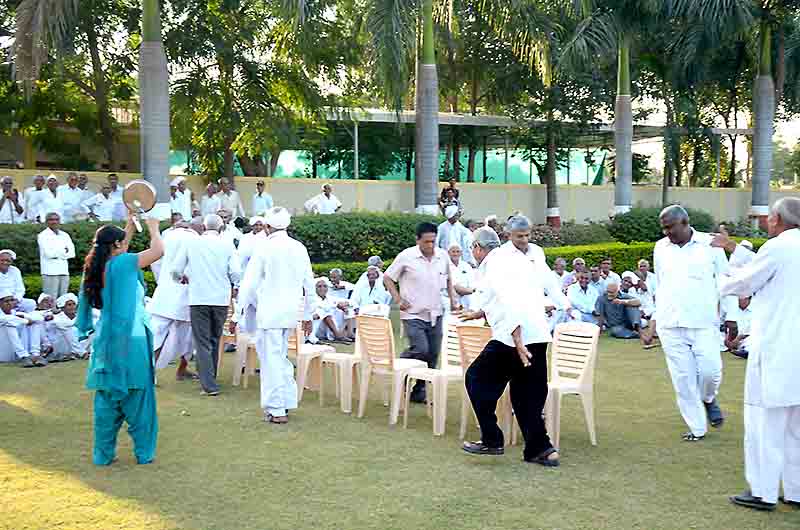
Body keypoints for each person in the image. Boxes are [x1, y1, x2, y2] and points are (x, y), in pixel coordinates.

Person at [710, 198, 800, 511]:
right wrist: (736, 252)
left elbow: (745, 282)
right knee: (796, 428)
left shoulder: (778, 247)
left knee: (764, 423)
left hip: (777, 350)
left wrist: (721, 277)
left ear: (776, 219)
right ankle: (796, 491)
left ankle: (762, 492)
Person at [459, 226, 561, 466]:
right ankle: (542, 450)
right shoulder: (513, 259)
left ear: (477, 248)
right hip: (536, 333)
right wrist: (478, 313)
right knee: (527, 394)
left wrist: (516, 339)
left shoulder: (494, 264)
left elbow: (508, 299)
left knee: (476, 378)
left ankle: (492, 439)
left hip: (513, 337)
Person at [76, 214, 164, 465]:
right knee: (139, 397)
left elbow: (122, 245)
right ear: (116, 246)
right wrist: (153, 227)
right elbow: (158, 250)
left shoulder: (95, 266)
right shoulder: (125, 263)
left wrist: (129, 222)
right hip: (131, 339)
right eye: (121, 241)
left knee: (106, 399)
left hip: (105, 340)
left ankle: (103, 456)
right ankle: (144, 453)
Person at [650, 205, 736, 442]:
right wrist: (655, 321)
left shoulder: (711, 245)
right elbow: (661, 284)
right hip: (670, 323)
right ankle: (697, 428)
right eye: (664, 228)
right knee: (683, 379)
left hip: (703, 322)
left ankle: (708, 398)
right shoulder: (660, 248)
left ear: (685, 223)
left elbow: (726, 281)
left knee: (711, 371)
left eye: (670, 227)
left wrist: (732, 316)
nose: (667, 232)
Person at [238, 206, 315, 424]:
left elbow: (249, 284)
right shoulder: (298, 247)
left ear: (268, 227)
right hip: (290, 313)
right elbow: (309, 283)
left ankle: (277, 409)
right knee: (279, 358)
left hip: (270, 314)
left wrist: (237, 314)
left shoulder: (264, 248)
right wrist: (308, 314)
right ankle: (285, 402)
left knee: (272, 360)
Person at [384, 222, 457, 403]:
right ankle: (400, 368)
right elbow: (388, 278)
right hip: (413, 314)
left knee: (432, 355)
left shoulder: (442, 256)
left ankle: (419, 391)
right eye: (426, 242)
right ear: (418, 240)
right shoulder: (406, 256)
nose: (430, 246)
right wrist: (398, 299)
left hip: (436, 313)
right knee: (420, 349)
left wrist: (454, 299)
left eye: (433, 241)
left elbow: (449, 280)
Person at [171, 214, 241, 396]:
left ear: (203, 227)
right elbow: (235, 272)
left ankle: (209, 384)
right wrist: (235, 286)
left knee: (202, 342)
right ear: (221, 228)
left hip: (198, 298)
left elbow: (175, 269)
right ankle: (211, 379)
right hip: (219, 299)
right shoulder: (227, 244)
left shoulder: (192, 243)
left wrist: (181, 279)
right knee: (215, 339)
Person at [148, 220, 202, 380]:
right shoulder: (195, 240)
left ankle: (154, 372)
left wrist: (162, 281)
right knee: (186, 336)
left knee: (158, 335)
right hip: (184, 293)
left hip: (165, 292)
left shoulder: (168, 236)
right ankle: (177, 369)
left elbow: (155, 261)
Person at [0, 290, 47, 366]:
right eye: (6, 301)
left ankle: (35, 355)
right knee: (10, 325)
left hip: (17, 351)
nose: (9, 303)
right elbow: (7, 319)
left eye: (11, 300)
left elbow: (40, 319)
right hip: (3, 352)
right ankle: (23, 356)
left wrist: (26, 317)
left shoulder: (16, 313)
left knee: (35, 323)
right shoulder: (5, 315)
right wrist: (26, 321)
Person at [37, 212, 76, 298]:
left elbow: (72, 253)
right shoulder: (43, 236)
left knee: (63, 299)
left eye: (56, 219)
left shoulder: (65, 235)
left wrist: (57, 253)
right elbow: (49, 254)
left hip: (64, 270)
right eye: (51, 220)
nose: (54, 222)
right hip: (50, 271)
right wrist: (64, 251)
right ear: (46, 222)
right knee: (51, 299)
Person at [48, 293, 86, 361]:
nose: (72, 307)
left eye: (74, 304)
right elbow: (63, 324)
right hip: (61, 347)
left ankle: (80, 353)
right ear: (62, 307)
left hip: (79, 345)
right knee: (66, 328)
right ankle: (81, 353)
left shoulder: (79, 316)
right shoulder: (56, 317)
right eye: (69, 305)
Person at [445, 242, 475, 311]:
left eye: (458, 251)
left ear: (461, 253)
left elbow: (472, 283)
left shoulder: (466, 266)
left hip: (468, 302)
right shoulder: (445, 266)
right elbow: (455, 287)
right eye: (453, 251)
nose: (455, 254)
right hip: (452, 303)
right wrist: (473, 291)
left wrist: (473, 291)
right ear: (448, 253)